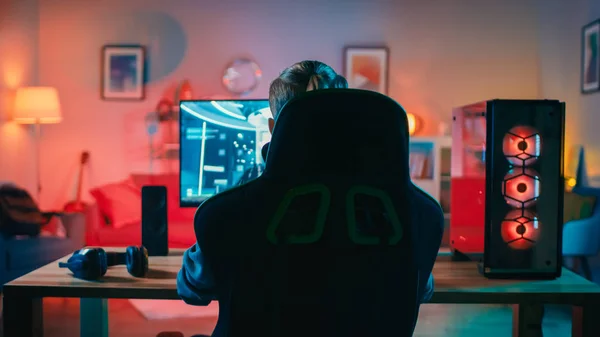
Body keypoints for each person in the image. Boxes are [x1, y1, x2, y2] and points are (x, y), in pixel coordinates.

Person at [176, 60, 441, 309]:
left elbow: (194, 288)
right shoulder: (397, 205)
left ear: (273, 127)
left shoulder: (236, 205)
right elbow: (420, 289)